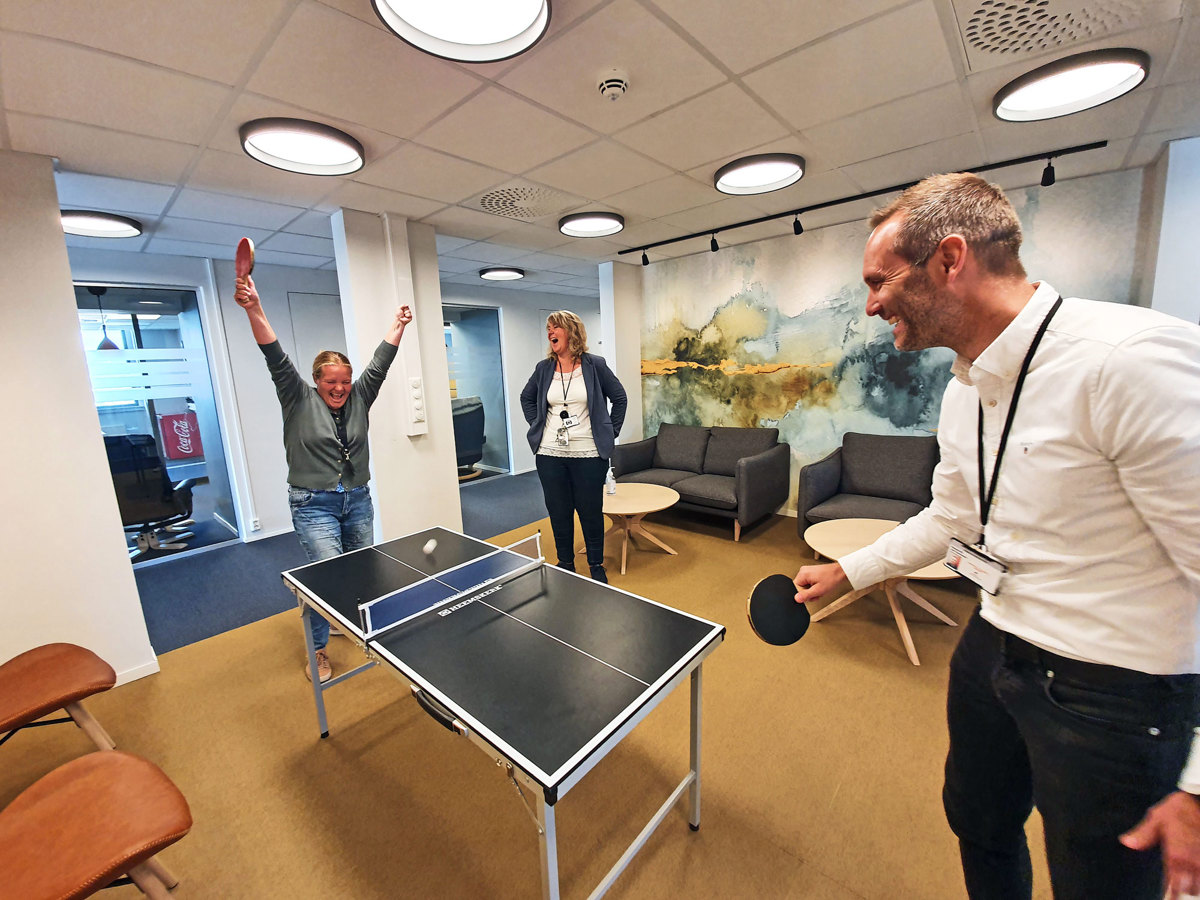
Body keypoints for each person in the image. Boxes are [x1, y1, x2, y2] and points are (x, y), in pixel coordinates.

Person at [792, 173, 1200, 900]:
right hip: (994, 642)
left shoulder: (1129, 359)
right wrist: (849, 571)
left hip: (1117, 689)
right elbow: (953, 519)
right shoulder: (966, 390)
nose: (871, 304)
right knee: (979, 824)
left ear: (950, 259)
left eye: (880, 280)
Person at [234, 272, 411, 684]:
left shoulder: (361, 396)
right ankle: (317, 649)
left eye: (345, 381)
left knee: (360, 571)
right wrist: (254, 308)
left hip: (358, 499)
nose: (340, 388)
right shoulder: (296, 397)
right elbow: (273, 353)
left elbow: (381, 362)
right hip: (313, 504)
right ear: (317, 380)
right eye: (331, 381)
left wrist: (398, 324)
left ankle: (348, 622)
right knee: (324, 579)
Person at [520, 310, 627, 583]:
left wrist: (610, 431)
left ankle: (595, 564)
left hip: (589, 453)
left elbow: (620, 398)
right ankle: (565, 562)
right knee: (559, 510)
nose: (550, 332)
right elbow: (526, 398)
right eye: (548, 328)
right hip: (549, 453)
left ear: (571, 332)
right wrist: (537, 424)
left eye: (555, 327)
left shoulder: (595, 365)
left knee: (590, 511)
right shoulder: (544, 368)